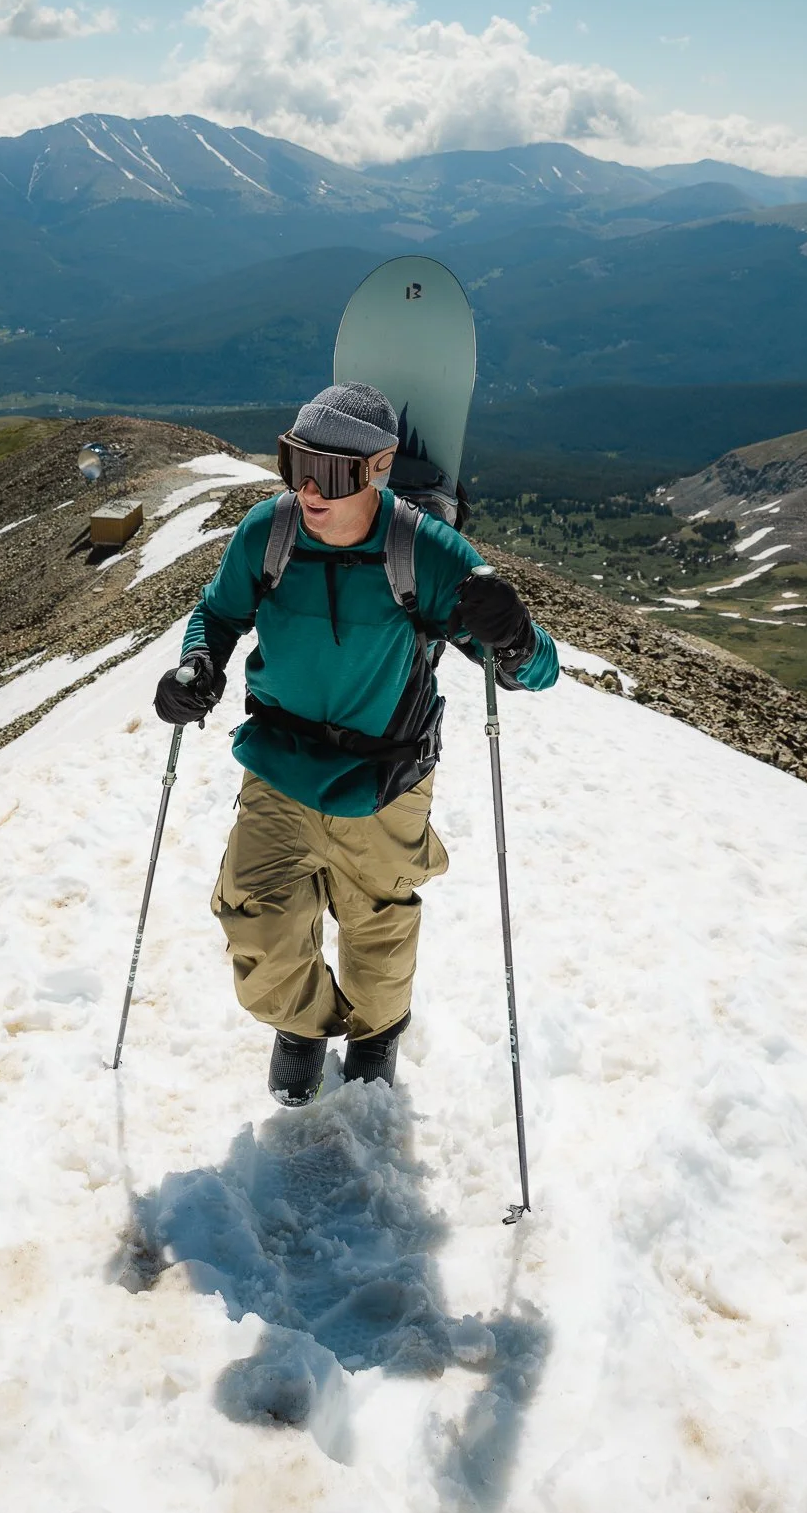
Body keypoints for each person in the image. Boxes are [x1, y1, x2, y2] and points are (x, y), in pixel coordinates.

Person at [154, 382, 558, 1106]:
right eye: (293, 463)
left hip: (386, 775)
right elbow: (216, 614)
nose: (308, 489)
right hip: (279, 764)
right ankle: (302, 1025)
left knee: (376, 918)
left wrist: (518, 636)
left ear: (378, 468)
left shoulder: (427, 554)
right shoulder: (267, 532)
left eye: (331, 473)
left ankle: (376, 1032)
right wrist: (198, 664)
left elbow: (535, 672)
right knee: (255, 912)